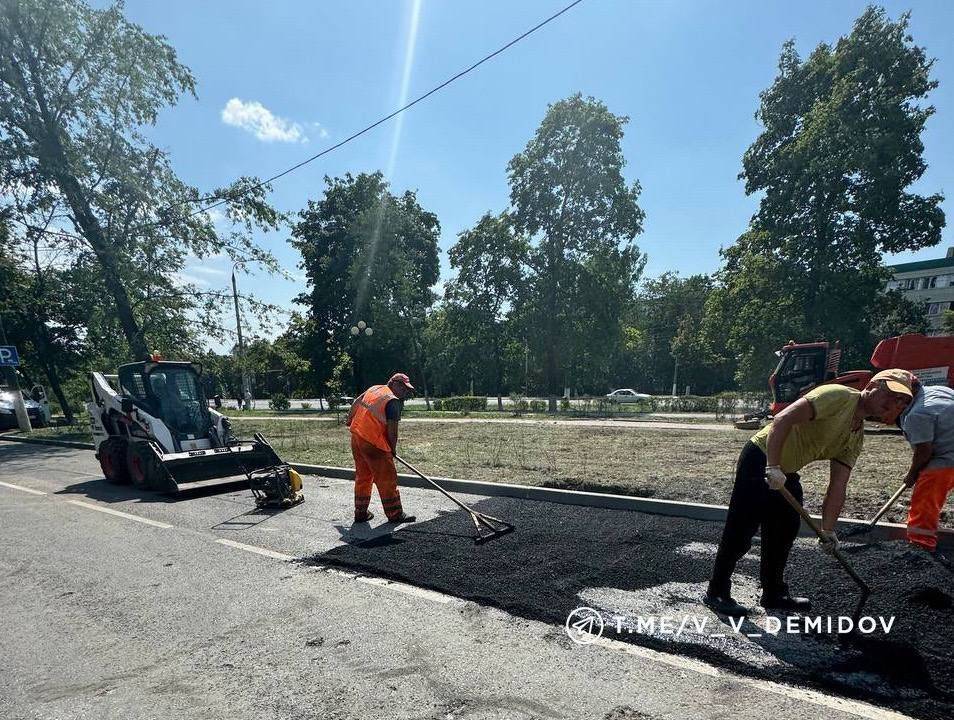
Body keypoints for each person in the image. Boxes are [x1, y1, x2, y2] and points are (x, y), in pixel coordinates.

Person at [705, 369, 915, 616]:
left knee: (784, 531)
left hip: (787, 471)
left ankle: (774, 593)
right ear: (873, 385)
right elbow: (782, 419)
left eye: (902, 401)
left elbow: (838, 486)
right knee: (742, 529)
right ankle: (717, 591)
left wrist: (828, 529)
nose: (895, 403)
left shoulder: (855, 437)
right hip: (761, 457)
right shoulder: (837, 396)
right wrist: (772, 466)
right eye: (891, 394)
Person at [346, 372, 416, 524]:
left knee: (363, 477)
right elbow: (393, 431)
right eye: (403, 388)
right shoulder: (392, 401)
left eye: (407, 389)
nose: (405, 392)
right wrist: (392, 449)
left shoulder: (375, 389)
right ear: (394, 383)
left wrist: (349, 419)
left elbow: (357, 402)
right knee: (387, 478)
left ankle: (361, 513)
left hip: (357, 437)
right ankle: (395, 513)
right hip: (373, 443)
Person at [899, 381, 954, 553]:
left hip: (946, 459)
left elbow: (924, 451)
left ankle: (920, 547)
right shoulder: (939, 390)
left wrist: (912, 475)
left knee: (924, 504)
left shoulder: (918, 413)